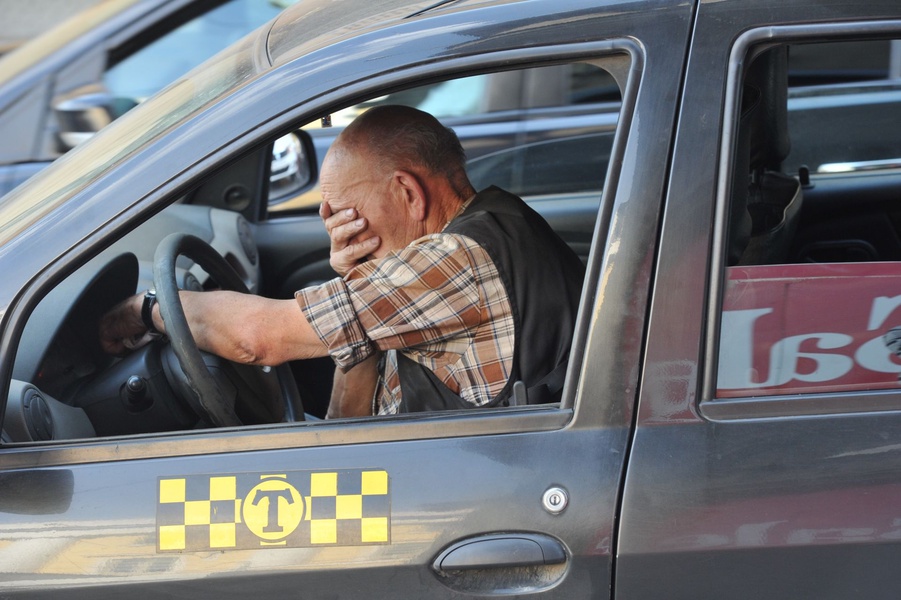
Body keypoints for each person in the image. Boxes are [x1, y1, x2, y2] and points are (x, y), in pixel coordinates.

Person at [99, 105, 585, 418]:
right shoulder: (474, 234)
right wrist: (358, 283)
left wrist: (149, 309)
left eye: (343, 212)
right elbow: (345, 423)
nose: (333, 228)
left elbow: (258, 339)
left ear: (407, 193)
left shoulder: (457, 261)